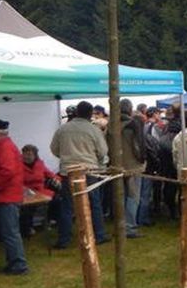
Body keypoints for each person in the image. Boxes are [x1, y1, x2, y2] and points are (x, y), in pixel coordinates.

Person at [50, 100, 110, 248]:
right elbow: (103, 152)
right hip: (89, 171)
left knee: (67, 206)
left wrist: (67, 157)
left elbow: (54, 149)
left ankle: (64, 240)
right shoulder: (94, 130)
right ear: (90, 114)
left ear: (76, 112)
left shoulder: (63, 129)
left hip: (68, 172)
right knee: (94, 204)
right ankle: (99, 235)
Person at [0, 119, 29, 275]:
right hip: (5, 195)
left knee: (10, 233)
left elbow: (7, 173)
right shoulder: (2, 147)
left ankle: (18, 265)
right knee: (9, 232)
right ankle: (14, 262)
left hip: (6, 196)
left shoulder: (4, 148)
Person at [119, 98, 146, 239]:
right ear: (130, 109)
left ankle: (121, 225)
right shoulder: (134, 125)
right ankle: (130, 227)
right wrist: (142, 159)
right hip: (133, 165)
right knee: (132, 198)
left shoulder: (112, 125)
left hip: (117, 165)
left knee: (121, 196)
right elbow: (139, 145)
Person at [19, 144, 60, 238]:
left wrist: (57, 179)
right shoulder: (17, 165)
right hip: (26, 192)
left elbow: (50, 174)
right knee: (27, 208)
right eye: (25, 154)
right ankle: (27, 228)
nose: (27, 157)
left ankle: (50, 220)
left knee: (56, 199)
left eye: (30, 154)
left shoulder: (40, 164)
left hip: (41, 191)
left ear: (35, 155)